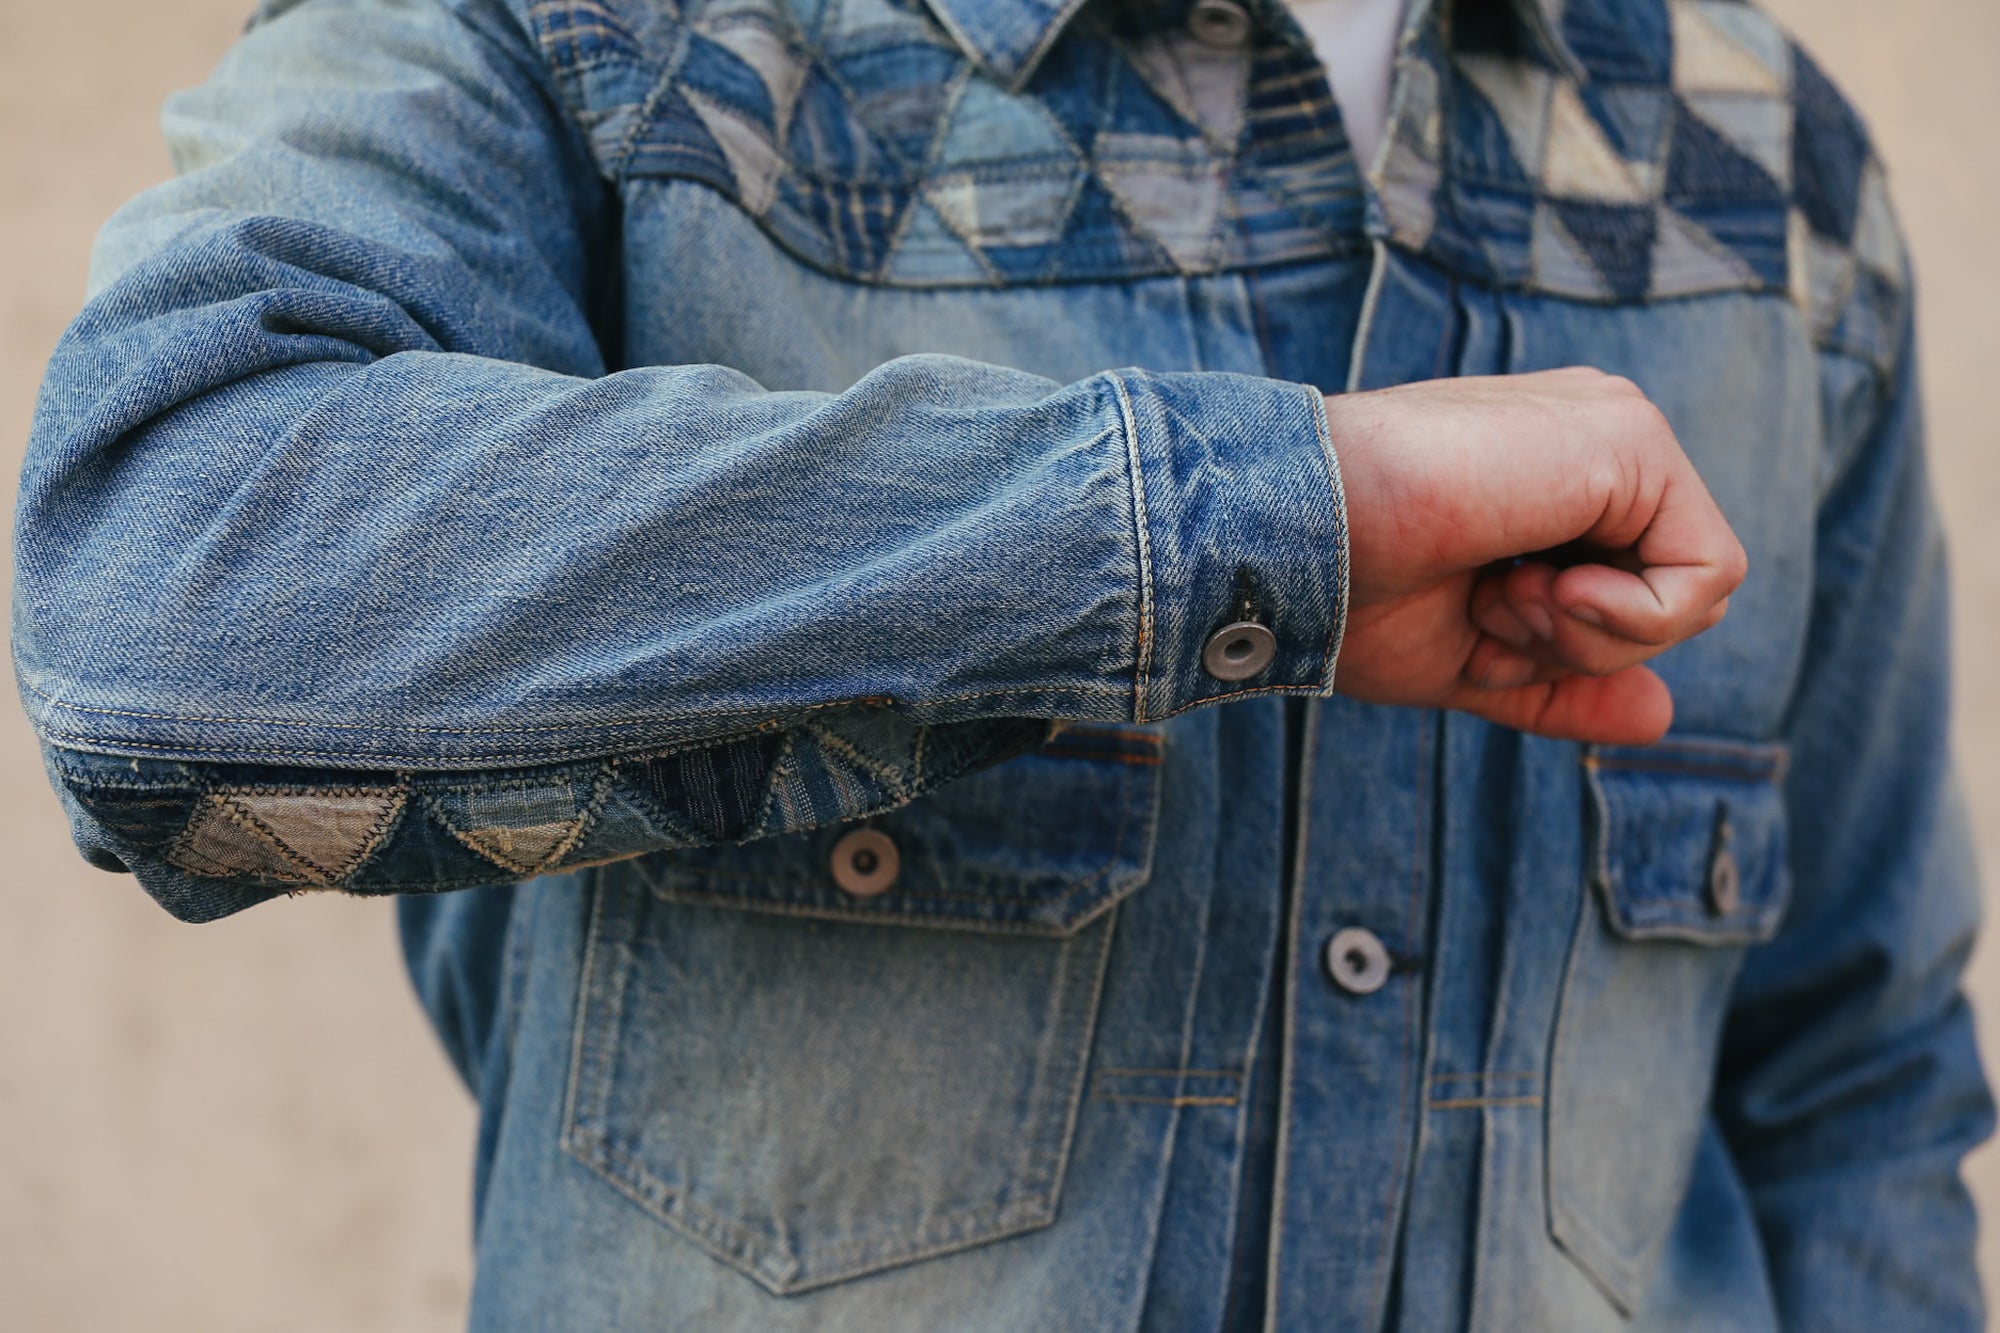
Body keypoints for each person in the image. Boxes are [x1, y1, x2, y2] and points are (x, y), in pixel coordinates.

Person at [12, 0, 1989, 1326]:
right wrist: (1248, 517)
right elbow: (165, 591)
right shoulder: (599, 38)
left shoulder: (1764, 170)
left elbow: (1850, 1082)